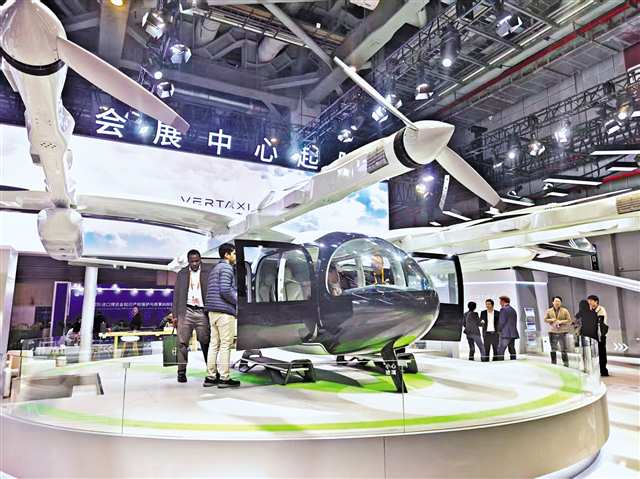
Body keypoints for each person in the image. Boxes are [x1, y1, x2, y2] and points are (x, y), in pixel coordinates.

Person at [172, 249, 211, 383]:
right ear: (188, 261)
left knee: (205, 341)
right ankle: (181, 372)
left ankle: (211, 371)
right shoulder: (182, 273)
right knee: (182, 343)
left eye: (197, 261)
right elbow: (176, 294)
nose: (194, 264)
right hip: (186, 311)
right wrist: (175, 315)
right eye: (192, 261)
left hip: (202, 312)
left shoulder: (208, 271)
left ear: (200, 260)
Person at [204, 243, 240, 388]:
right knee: (225, 345)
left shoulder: (215, 269)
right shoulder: (226, 268)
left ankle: (210, 377)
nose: (236, 256)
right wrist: (239, 301)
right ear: (227, 255)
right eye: (234, 253)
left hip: (212, 311)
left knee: (214, 345)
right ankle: (224, 378)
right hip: (224, 311)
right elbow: (225, 290)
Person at [543, 296, 573, 367]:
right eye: (556, 301)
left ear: (561, 303)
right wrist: (552, 320)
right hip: (552, 332)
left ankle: (566, 363)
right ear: (553, 302)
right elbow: (545, 319)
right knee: (553, 349)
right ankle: (553, 363)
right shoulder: (549, 311)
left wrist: (560, 321)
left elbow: (569, 320)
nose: (557, 303)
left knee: (564, 349)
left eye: (559, 301)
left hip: (562, 332)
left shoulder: (565, 310)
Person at [588, 295, 609, 376]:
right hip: (593, 335)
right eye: (588, 301)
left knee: (601, 352)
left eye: (591, 301)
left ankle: (603, 370)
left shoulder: (601, 309)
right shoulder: (590, 310)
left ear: (596, 301)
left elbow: (600, 322)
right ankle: (596, 369)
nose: (589, 302)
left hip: (600, 335)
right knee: (593, 353)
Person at [496, 296, 519, 360]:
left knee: (501, 349)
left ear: (503, 301)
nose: (499, 303)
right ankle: (514, 361)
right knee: (512, 349)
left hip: (505, 333)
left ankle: (500, 362)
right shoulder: (513, 309)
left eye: (500, 301)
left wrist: (498, 330)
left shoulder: (503, 309)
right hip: (513, 333)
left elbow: (501, 322)